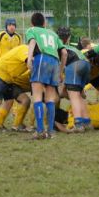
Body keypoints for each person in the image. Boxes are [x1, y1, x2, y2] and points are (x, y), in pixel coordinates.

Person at [26, 12, 67, 140]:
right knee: (50, 99)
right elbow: (64, 53)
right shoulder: (53, 34)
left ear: (32, 23)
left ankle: (39, 131)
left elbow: (32, 42)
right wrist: (60, 71)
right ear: (44, 23)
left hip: (41, 59)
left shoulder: (32, 30)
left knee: (37, 97)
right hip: (55, 62)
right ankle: (50, 131)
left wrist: (29, 59)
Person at [0, 45, 30, 133]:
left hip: (9, 79)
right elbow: (29, 62)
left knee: (18, 100)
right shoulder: (26, 49)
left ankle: (7, 125)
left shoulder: (29, 51)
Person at [57, 27, 92, 132]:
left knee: (74, 97)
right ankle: (87, 122)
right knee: (79, 96)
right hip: (86, 65)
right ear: (69, 37)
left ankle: (78, 124)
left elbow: (63, 61)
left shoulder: (59, 47)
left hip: (74, 65)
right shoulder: (72, 47)